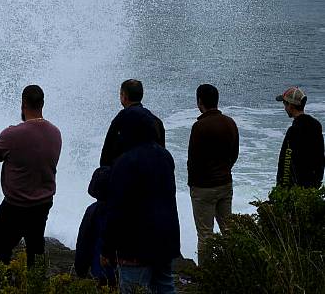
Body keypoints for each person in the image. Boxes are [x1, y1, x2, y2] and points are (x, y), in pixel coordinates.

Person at [99, 112, 180, 294]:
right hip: (165, 241)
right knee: (165, 287)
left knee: (133, 289)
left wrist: (107, 249)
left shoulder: (125, 162)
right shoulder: (165, 157)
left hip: (135, 245)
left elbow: (117, 210)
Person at [0, 85, 62, 266]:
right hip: (43, 202)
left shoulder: (13, 134)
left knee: (0, 250)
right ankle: (34, 283)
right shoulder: (55, 133)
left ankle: (1, 282)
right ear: (42, 104)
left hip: (16, 204)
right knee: (35, 247)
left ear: (23, 105)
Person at [187, 84, 239, 266]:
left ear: (199, 102)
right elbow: (234, 154)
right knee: (228, 231)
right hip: (225, 183)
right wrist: (225, 170)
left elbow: (193, 160)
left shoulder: (199, 127)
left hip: (203, 188)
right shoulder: (230, 123)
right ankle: (234, 269)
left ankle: (206, 275)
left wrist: (193, 184)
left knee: (205, 235)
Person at [100, 79, 165, 167]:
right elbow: (162, 154)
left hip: (125, 174)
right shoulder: (156, 121)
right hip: (150, 175)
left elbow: (107, 154)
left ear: (124, 97)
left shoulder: (122, 118)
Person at [275, 86, 325, 188]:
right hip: (312, 186)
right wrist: (317, 183)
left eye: (285, 104)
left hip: (295, 188)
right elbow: (320, 157)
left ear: (291, 106)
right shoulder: (316, 125)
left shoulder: (293, 131)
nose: (284, 108)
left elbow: (286, 162)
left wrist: (281, 188)